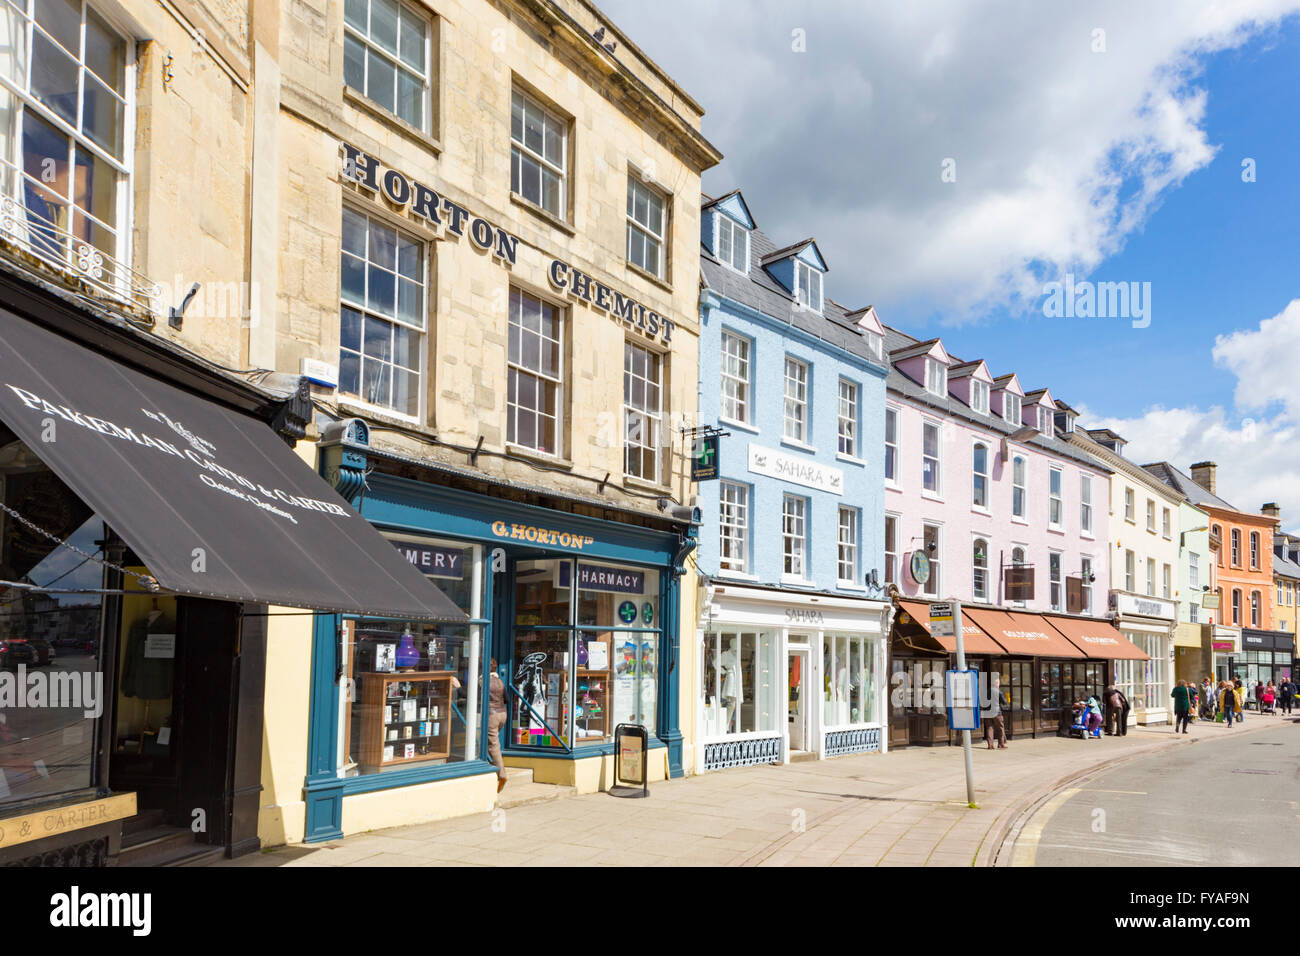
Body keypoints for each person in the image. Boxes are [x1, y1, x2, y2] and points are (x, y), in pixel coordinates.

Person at [487, 658, 508, 793]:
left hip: (491, 715)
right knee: (492, 742)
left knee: (493, 745)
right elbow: (507, 699)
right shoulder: (499, 680)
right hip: (502, 714)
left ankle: (502, 775)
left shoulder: (482, 681)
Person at [984, 673, 1008, 750]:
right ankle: (1001, 744)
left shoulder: (987, 691)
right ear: (997, 684)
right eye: (998, 683)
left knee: (989, 728)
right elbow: (1004, 702)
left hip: (988, 712)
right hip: (997, 713)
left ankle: (990, 745)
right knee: (1000, 728)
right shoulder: (999, 692)